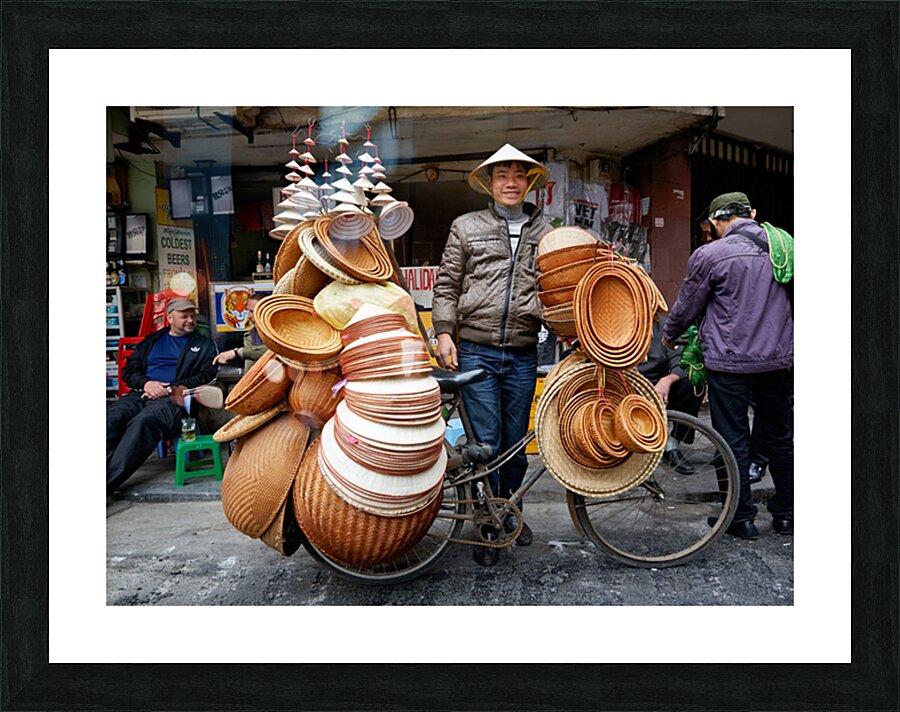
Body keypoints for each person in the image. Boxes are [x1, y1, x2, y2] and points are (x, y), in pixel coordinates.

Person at [432, 144, 552, 566]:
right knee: (488, 443)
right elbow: (447, 283)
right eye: (503, 175)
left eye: (520, 175)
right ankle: (487, 520)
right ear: (490, 182)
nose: (511, 183)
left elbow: (556, 287)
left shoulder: (546, 232)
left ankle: (508, 510)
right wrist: (444, 331)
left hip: (522, 351)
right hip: (477, 351)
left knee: (517, 445)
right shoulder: (466, 226)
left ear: (529, 182)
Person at [662, 192, 793, 539]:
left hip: (730, 364)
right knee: (780, 437)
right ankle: (787, 515)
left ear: (718, 221)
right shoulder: (783, 245)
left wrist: (670, 335)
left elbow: (688, 305)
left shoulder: (711, 254)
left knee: (731, 439)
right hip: (778, 361)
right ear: (751, 213)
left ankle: (740, 517)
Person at [106, 298, 218, 495]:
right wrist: (146, 384)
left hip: (174, 398)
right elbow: (130, 371)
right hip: (142, 393)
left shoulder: (203, 344)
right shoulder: (152, 341)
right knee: (111, 418)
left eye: (192, 315)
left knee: (143, 422)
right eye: (184, 316)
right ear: (170, 318)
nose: (190, 320)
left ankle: (105, 486)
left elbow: (208, 376)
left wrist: (171, 388)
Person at [637, 315, 703, 475]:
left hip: (659, 385)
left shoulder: (662, 325)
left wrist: (668, 380)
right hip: (625, 384)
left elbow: (681, 360)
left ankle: (672, 444)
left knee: (693, 381)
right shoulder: (611, 325)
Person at [212, 294, 267, 371]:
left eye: (252, 311)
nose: (248, 316)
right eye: (248, 311)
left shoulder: (281, 333)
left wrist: (238, 352)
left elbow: (274, 351)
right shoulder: (250, 335)